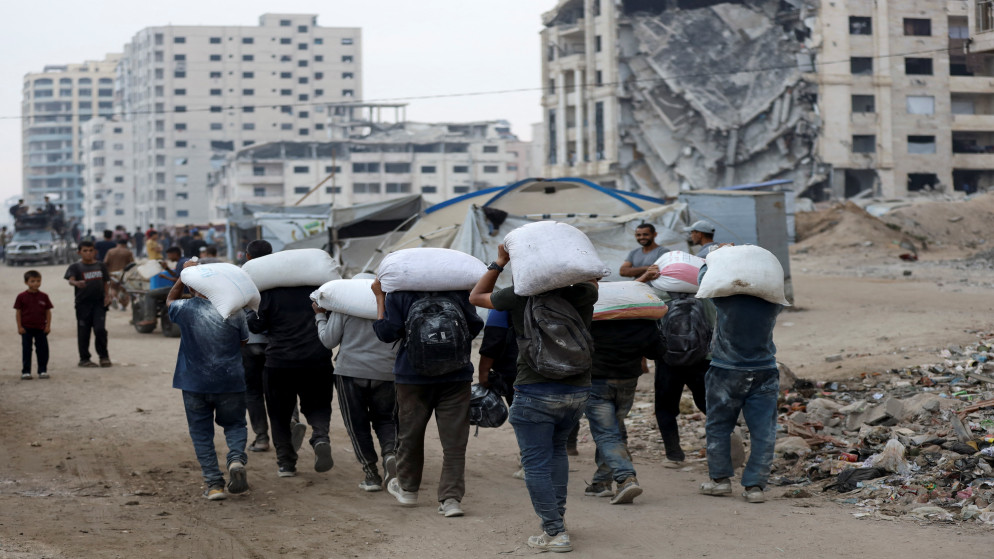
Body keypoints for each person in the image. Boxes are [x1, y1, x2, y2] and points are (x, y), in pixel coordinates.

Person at [469, 244, 597, 553]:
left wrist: (500, 261)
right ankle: (557, 521)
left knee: (536, 464)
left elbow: (476, 296)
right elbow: (593, 277)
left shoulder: (517, 296)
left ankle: (554, 531)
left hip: (534, 390)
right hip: (577, 390)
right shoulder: (583, 294)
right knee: (557, 452)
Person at [371, 276, 483, 518]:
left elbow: (386, 333)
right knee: (454, 442)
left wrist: (380, 297)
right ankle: (451, 500)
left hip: (412, 377)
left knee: (410, 435)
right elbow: (474, 327)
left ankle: (408, 490)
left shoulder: (400, 293)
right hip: (456, 375)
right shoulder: (458, 291)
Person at [697, 247, 783, 504]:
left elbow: (705, 278)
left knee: (718, 426)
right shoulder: (773, 303)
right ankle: (755, 487)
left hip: (726, 371)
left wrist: (713, 256)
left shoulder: (724, 300)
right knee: (763, 432)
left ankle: (720, 481)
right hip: (765, 371)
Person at [166, 260, 250, 501]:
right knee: (235, 424)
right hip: (230, 381)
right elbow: (243, 342)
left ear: (193, 286)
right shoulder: (234, 311)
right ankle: (236, 459)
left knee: (201, 433)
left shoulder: (185, 308)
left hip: (194, 383)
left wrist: (182, 277)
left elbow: (169, 301)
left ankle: (214, 484)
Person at [247, 269, 335, 478]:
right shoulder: (319, 292)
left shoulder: (269, 294)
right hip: (317, 359)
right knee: (319, 405)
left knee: (279, 414)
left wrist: (250, 308)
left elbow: (255, 325)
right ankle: (320, 437)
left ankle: (286, 463)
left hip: (279, 362)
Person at [314, 286, 399, 493]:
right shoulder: (392, 306)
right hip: (386, 372)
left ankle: (371, 475)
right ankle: (390, 454)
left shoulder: (345, 305)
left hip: (350, 372)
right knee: (387, 420)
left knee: (356, 425)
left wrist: (320, 317)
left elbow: (328, 341)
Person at [637, 265, 714, 468]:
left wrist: (646, 277)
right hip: (702, 358)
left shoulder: (657, 293)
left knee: (665, 408)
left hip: (667, 360)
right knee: (709, 405)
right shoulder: (705, 295)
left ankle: (674, 455)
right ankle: (721, 449)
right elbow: (713, 326)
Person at [582, 316, 664, 504]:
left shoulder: (590, 314)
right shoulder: (642, 317)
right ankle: (601, 482)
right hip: (628, 382)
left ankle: (626, 478)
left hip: (597, 382)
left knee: (606, 433)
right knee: (613, 430)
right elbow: (657, 351)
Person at [240, 240, 275, 453]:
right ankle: (291, 422)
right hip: (275, 343)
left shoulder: (242, 276)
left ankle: (261, 438)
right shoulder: (281, 275)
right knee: (281, 389)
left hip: (249, 341)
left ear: (248, 256)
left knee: (253, 392)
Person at [64, 241, 111, 368]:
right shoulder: (75, 267)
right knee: (84, 331)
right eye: (85, 251)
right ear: (79, 252)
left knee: (100, 329)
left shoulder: (100, 266)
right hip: (83, 304)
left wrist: (107, 295)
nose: (88, 253)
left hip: (99, 303)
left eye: (91, 250)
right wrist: (76, 283)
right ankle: (84, 359)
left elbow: (106, 282)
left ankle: (104, 356)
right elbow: (71, 280)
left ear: (95, 252)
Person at [15, 270, 53, 380]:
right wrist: (19, 327)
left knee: (42, 350)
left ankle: (42, 371)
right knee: (27, 350)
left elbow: (48, 312)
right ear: (26, 282)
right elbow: (18, 312)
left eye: (38, 281)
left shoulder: (44, 296)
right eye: (32, 281)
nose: (36, 283)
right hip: (26, 328)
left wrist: (48, 326)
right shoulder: (21, 296)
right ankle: (26, 372)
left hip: (41, 328)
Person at [138, 247, 186, 329]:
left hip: (180, 290)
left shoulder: (181, 263)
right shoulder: (184, 261)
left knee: (149, 294)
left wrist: (165, 277)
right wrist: (167, 268)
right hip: (186, 289)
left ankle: (149, 318)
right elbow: (177, 275)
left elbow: (179, 279)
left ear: (175, 254)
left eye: (169, 255)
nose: (168, 257)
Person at [104, 239, 135, 311]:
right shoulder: (128, 252)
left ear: (118, 244)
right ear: (125, 245)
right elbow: (132, 264)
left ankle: (114, 298)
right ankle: (123, 306)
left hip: (112, 273)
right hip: (123, 274)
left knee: (113, 288)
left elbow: (105, 262)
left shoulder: (110, 251)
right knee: (123, 289)